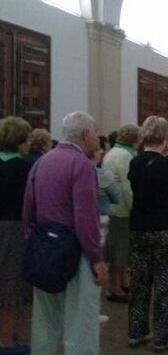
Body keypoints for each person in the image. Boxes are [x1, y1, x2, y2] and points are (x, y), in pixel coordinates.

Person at [23, 112, 108, 355]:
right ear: (84, 135)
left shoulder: (43, 160)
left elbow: (28, 205)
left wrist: (33, 239)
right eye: (95, 133)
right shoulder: (82, 165)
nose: (97, 138)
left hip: (44, 247)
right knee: (81, 323)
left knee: (45, 321)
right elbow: (86, 217)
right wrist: (97, 258)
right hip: (74, 251)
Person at [127, 116, 168, 352]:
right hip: (165, 229)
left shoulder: (135, 163)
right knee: (164, 284)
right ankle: (161, 336)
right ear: (166, 139)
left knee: (139, 282)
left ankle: (137, 332)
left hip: (139, 228)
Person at [0, 116, 32, 355]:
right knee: (10, 284)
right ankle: (6, 340)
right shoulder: (24, 167)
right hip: (13, 228)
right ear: (21, 141)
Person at [103, 124, 141, 303]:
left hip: (114, 207)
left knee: (121, 248)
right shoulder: (125, 156)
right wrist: (136, 209)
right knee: (119, 250)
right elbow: (128, 186)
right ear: (134, 140)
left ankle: (122, 282)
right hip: (122, 209)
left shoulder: (114, 153)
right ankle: (114, 288)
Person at [88, 143, 120, 325]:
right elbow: (116, 196)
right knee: (98, 264)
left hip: (82, 221)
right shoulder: (102, 175)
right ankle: (93, 310)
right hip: (101, 220)